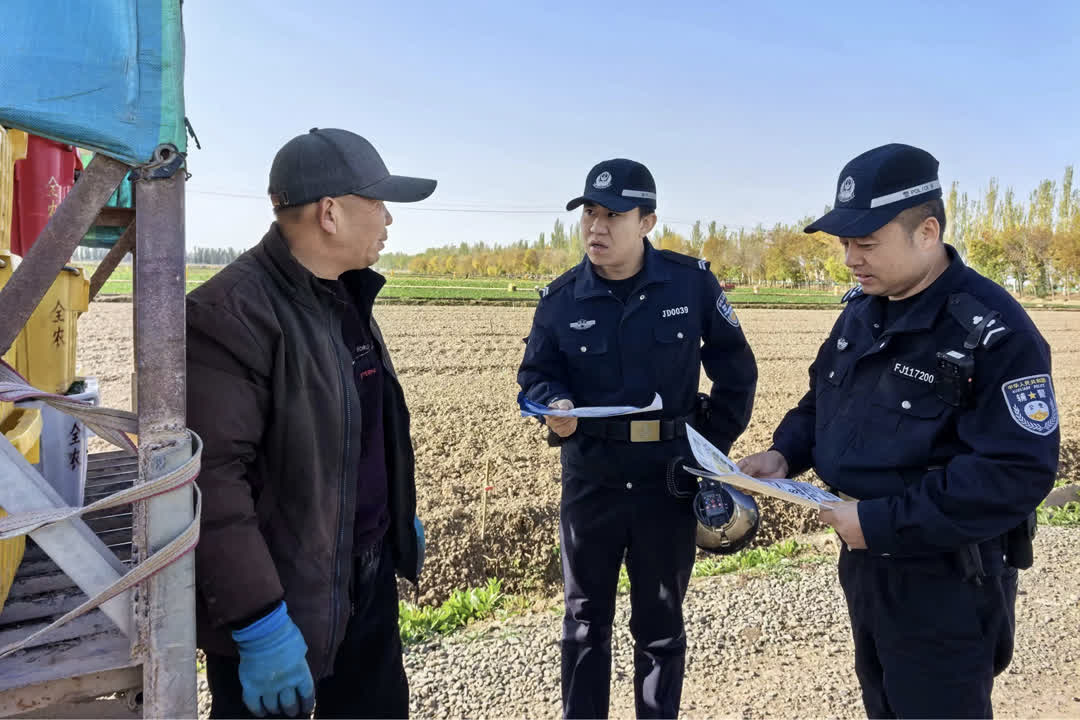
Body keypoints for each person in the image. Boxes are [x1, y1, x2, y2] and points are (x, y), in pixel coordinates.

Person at [738, 143, 1059, 718]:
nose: (849, 259)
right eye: (845, 243)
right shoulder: (864, 309)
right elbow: (824, 399)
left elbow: (1014, 472)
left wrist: (882, 522)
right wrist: (784, 454)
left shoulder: (994, 332)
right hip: (865, 560)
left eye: (865, 243)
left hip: (946, 575)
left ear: (927, 232)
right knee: (883, 702)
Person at [186, 128, 434, 718]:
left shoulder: (345, 295)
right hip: (284, 602)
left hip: (365, 580)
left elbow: (364, 428)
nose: (389, 219)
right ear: (330, 213)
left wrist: (395, 511)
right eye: (378, 202)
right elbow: (212, 481)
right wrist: (258, 622)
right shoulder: (230, 314)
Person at [517, 159, 758, 718]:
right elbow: (535, 374)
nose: (596, 227)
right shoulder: (560, 299)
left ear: (647, 222)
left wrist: (706, 448)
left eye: (613, 215)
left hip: (666, 481)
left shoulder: (690, 283)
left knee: (661, 626)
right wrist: (554, 405)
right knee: (583, 623)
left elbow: (736, 372)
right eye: (589, 213)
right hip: (592, 479)